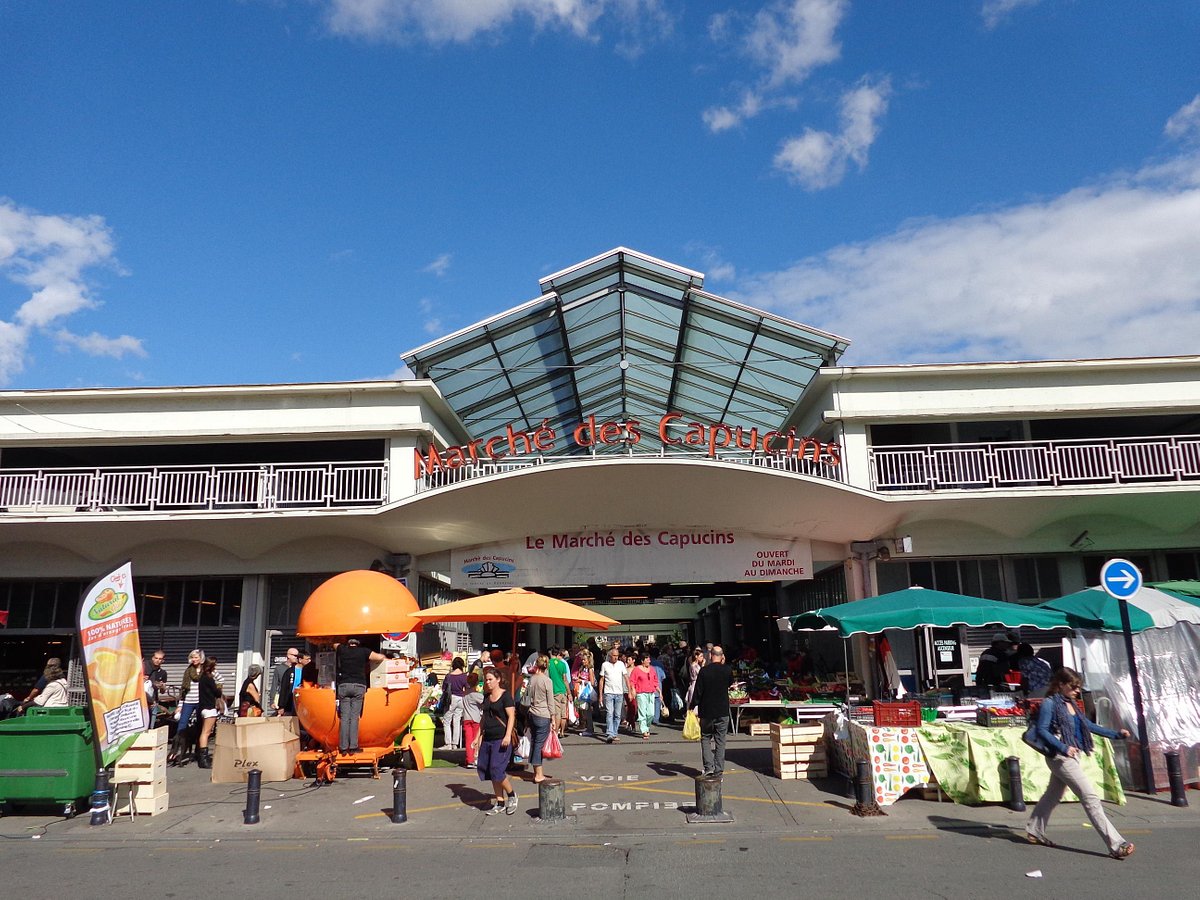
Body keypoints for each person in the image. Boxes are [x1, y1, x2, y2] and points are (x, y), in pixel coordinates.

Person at [1026, 667, 1135, 860]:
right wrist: (1063, 747)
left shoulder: (1071, 704)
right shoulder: (1050, 704)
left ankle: (1034, 830)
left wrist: (1116, 734)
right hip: (1060, 757)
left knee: (1052, 795)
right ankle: (1116, 845)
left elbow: (1088, 726)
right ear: (1060, 685)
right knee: (1090, 797)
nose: (1077, 691)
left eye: (1078, 687)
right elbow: (1042, 730)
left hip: (1070, 756)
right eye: (1073, 687)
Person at [471, 666, 518, 815]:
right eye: (486, 680)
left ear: (498, 680)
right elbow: (484, 719)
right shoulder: (486, 697)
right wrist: (477, 737)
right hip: (488, 738)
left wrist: (507, 735)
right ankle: (500, 801)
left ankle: (512, 795)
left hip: (501, 738)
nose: (488, 682)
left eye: (490, 679)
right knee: (490, 771)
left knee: (497, 769)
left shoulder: (506, 696)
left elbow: (511, 716)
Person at [334, 637, 385, 754]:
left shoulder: (342, 649)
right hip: (358, 686)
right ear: (358, 643)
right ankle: (353, 747)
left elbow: (334, 644)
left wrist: (342, 641)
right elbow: (378, 657)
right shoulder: (364, 651)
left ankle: (343, 747)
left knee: (345, 717)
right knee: (354, 717)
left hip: (344, 685)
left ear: (349, 643)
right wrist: (386, 657)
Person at [690, 644, 733, 777]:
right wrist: (724, 664)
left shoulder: (704, 671)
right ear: (722, 657)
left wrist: (692, 706)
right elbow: (730, 683)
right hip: (722, 710)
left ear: (710, 655)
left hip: (707, 711)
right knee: (720, 741)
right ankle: (719, 770)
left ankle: (708, 767)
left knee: (706, 738)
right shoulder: (727, 670)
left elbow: (698, 692)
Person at [523, 654, 555, 783]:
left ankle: (536, 772)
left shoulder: (532, 679)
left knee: (535, 741)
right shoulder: (547, 681)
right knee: (539, 744)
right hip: (543, 714)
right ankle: (538, 774)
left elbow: (527, 697)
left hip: (532, 712)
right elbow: (550, 701)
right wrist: (553, 718)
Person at [195, 657, 224, 769]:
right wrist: (219, 689)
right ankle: (203, 758)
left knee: (204, 732)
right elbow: (216, 692)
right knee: (206, 732)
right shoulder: (208, 678)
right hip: (209, 707)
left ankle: (202, 756)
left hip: (203, 707)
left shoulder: (202, 678)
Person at [629, 652, 663, 740]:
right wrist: (633, 690)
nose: (649, 661)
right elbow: (632, 681)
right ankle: (644, 730)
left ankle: (647, 726)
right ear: (642, 660)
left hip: (651, 693)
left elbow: (655, 682)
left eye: (649, 659)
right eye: (647, 659)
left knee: (651, 713)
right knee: (642, 712)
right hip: (641, 693)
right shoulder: (637, 669)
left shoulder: (652, 669)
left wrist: (659, 692)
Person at [599, 646, 628, 744]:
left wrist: (630, 690)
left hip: (619, 693)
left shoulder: (621, 664)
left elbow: (626, 677)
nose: (616, 657)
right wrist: (600, 695)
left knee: (617, 715)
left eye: (617, 656)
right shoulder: (605, 665)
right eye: (614, 656)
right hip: (608, 693)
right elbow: (601, 680)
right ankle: (610, 733)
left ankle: (614, 733)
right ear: (610, 656)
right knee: (609, 713)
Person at [440, 657, 469, 750]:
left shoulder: (449, 676)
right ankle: (455, 744)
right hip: (461, 699)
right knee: (457, 721)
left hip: (451, 699)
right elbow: (467, 688)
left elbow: (444, 688)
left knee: (447, 721)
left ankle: (448, 743)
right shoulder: (464, 676)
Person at [177, 649, 205, 729]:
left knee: (200, 723)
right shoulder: (188, 671)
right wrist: (180, 705)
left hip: (201, 701)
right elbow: (183, 689)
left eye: (196, 657)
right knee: (182, 722)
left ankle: (198, 741)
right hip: (188, 701)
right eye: (192, 657)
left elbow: (219, 679)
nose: (194, 659)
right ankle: (180, 740)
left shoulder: (206, 670)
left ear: (201, 658)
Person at [548, 646, 571, 738]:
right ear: (558, 654)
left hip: (554, 691)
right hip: (563, 690)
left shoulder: (548, 664)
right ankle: (562, 731)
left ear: (550, 653)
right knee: (563, 714)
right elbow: (565, 679)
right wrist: (569, 693)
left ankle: (556, 732)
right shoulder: (562, 664)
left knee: (556, 713)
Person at [462, 671, 484, 767]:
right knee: (476, 739)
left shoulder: (465, 694)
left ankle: (469, 759)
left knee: (468, 739)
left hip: (466, 718)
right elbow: (485, 702)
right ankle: (475, 758)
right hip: (475, 719)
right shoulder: (476, 695)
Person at [572, 649, 597, 735]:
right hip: (581, 690)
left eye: (584, 660)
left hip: (586, 692)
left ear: (588, 660)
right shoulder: (582, 668)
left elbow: (592, 682)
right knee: (582, 709)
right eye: (582, 660)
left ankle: (590, 728)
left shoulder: (590, 669)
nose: (583, 661)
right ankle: (588, 727)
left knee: (587, 710)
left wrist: (581, 681)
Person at [270, 647, 299, 716]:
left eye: (298, 656)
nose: (297, 658)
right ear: (288, 655)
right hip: (283, 700)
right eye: (295, 655)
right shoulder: (279, 669)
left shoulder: (298, 668)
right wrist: (272, 701)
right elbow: (274, 685)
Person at [144, 649, 168, 717]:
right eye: (156, 658)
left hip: (153, 700)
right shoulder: (145, 666)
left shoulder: (163, 673)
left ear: (163, 660)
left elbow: (162, 691)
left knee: (152, 721)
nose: (157, 660)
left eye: (160, 659)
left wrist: (162, 686)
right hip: (142, 698)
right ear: (152, 658)